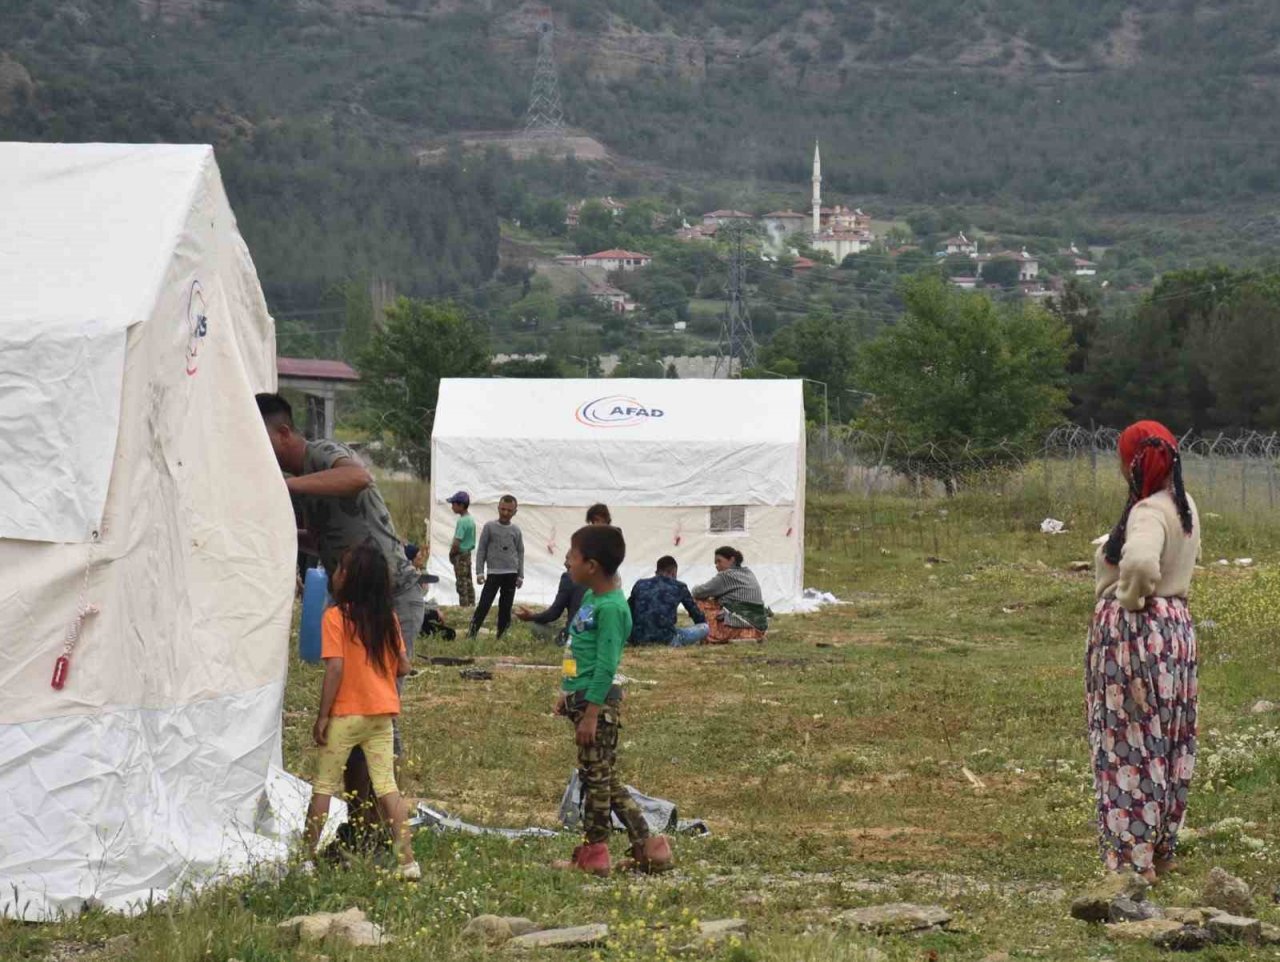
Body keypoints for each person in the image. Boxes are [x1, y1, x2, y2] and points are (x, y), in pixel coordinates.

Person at [257, 393, 423, 765]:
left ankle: (382, 802)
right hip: (352, 601)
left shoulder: (320, 454)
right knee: (351, 700)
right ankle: (363, 798)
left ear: (284, 432)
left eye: (261, 438)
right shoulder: (307, 481)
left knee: (378, 703)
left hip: (391, 596)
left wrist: (286, 488)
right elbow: (323, 540)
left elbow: (357, 477)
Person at [1088, 421, 1200, 882]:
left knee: (1127, 743)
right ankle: (1161, 847)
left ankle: (1134, 860)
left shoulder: (1148, 512)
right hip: (1175, 628)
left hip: (1137, 630)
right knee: (1167, 738)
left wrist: (1130, 597)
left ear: (1132, 462)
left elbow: (1138, 560)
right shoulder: (1183, 504)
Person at [552, 525, 673, 876]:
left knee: (597, 779)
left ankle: (595, 852)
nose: (566, 561)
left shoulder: (612, 609)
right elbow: (580, 650)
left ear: (590, 565)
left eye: (571, 556)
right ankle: (649, 847)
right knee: (602, 777)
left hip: (598, 704)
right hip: (581, 697)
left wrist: (591, 713)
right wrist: (566, 692)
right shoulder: (591, 599)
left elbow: (606, 667)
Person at [304, 542, 420, 880]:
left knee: (323, 787)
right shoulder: (389, 619)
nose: (336, 574)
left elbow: (335, 669)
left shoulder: (335, 617)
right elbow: (403, 666)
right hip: (381, 715)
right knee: (387, 788)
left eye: (340, 569)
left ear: (350, 580)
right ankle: (408, 861)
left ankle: (306, 859)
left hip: (345, 714)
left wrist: (323, 715)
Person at [515, 505, 608, 638]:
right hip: (598, 637)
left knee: (538, 627)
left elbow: (554, 613)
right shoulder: (610, 586)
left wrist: (532, 616)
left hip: (578, 639)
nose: (565, 563)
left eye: (569, 559)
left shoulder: (571, 578)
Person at [470, 494, 524, 639]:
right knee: (484, 604)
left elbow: (520, 552)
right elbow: (481, 549)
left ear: (515, 512)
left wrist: (520, 575)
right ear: (498, 508)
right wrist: (480, 572)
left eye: (509, 510)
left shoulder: (516, 531)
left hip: (511, 573)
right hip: (494, 572)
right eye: (503, 509)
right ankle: (472, 633)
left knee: (506, 607)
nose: (505, 513)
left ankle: (502, 635)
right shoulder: (489, 527)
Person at [692, 546, 769, 643]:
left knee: (697, 601)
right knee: (716, 603)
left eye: (719, 561)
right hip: (758, 630)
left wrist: (696, 589)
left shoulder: (726, 575)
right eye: (715, 563)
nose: (716, 565)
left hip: (738, 628)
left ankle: (708, 634)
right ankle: (746, 638)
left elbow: (698, 592)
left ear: (732, 560)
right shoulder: (748, 572)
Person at [629, 556, 709, 647]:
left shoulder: (640, 584)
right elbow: (697, 615)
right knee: (704, 628)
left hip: (638, 639)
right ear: (674, 573)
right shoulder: (679, 586)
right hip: (667, 639)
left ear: (656, 572)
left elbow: (629, 611)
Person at [447, 491, 477, 608]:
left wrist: (451, 553)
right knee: (468, 580)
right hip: (467, 554)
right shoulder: (470, 519)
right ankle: (471, 604)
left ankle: (464, 605)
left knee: (461, 582)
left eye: (454, 504)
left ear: (461, 505)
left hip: (460, 555)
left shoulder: (462, 521)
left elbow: (457, 542)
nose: (452, 507)